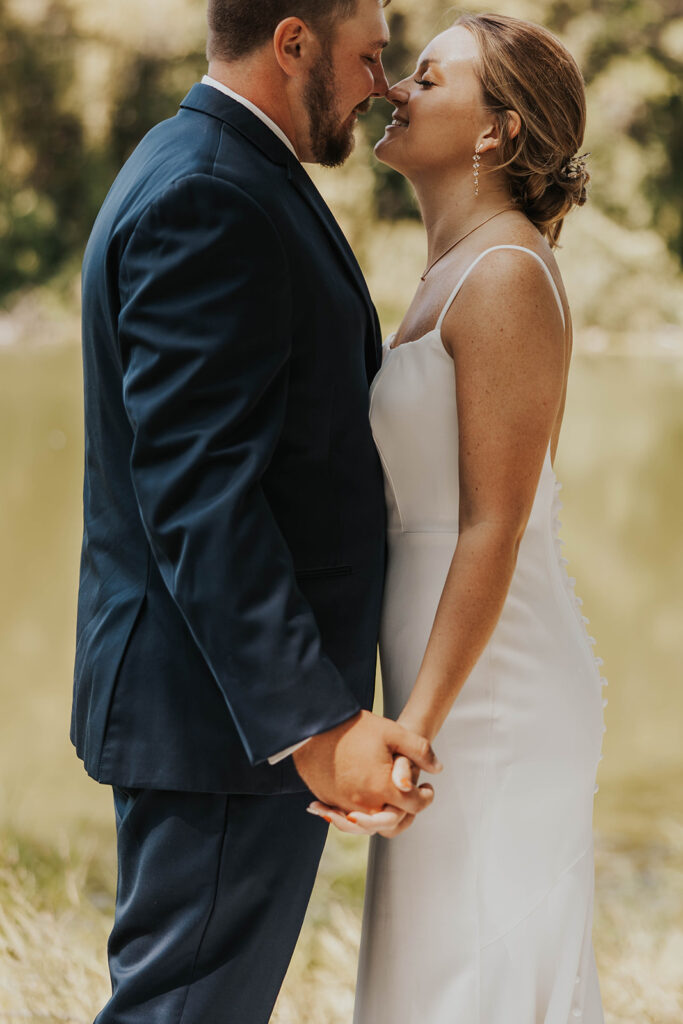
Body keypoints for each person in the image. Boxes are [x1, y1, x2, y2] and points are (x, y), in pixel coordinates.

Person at [70, 1, 442, 1021]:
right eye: (368, 58)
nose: (380, 85)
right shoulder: (208, 192)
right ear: (292, 43)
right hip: (221, 725)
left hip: (221, 717)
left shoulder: (216, 164)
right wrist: (312, 723)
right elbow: (200, 493)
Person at [310, 13, 606, 1023]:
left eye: (428, 78)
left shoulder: (507, 277)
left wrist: (415, 731)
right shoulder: (447, 271)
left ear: (493, 132)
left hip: (493, 697)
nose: (395, 87)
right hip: (439, 686)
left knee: (467, 977)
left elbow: (493, 525)